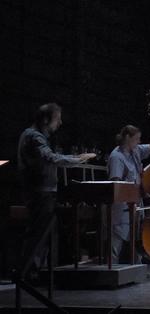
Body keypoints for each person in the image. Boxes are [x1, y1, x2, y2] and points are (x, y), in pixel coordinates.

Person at [17, 103, 97, 277]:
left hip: (41, 192)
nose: (60, 123)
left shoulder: (32, 135)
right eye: (57, 119)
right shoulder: (34, 137)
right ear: (46, 120)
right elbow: (50, 158)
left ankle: (33, 271)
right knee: (38, 234)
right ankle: (28, 273)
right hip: (41, 192)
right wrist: (78, 159)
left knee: (41, 234)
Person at [107, 124, 150, 263]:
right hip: (122, 209)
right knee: (116, 244)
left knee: (136, 244)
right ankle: (111, 270)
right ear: (127, 137)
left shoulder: (135, 150)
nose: (139, 142)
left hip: (135, 206)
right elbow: (116, 184)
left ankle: (137, 270)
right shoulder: (117, 157)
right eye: (136, 139)